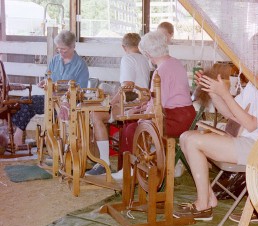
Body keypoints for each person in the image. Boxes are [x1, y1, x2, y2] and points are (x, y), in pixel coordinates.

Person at [173, 30, 258, 221]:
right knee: (186, 137)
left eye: (253, 52)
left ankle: (203, 205)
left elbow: (250, 125)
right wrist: (213, 92)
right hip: (246, 142)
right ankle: (208, 199)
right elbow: (230, 113)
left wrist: (224, 94)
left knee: (191, 140)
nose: (249, 57)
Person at [110, 31, 196, 179]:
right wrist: (141, 108)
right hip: (187, 115)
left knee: (131, 129)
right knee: (132, 121)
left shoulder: (161, 71)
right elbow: (161, 99)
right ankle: (131, 167)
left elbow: (158, 105)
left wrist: (140, 118)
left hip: (175, 119)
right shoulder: (175, 62)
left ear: (149, 53)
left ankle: (131, 169)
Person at [86, 33, 151, 175]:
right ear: (139, 45)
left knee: (96, 115)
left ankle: (103, 162)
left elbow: (127, 87)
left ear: (123, 47)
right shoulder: (145, 60)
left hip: (131, 105)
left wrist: (111, 103)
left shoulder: (127, 59)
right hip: (142, 103)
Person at [12, 30, 89, 148]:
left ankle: (51, 141)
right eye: (58, 48)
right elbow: (48, 77)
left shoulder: (80, 65)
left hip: (70, 102)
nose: (61, 52)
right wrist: (44, 82)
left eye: (64, 49)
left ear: (73, 46)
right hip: (51, 98)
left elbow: (81, 90)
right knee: (25, 101)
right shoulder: (55, 60)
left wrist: (65, 101)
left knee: (56, 111)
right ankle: (18, 136)